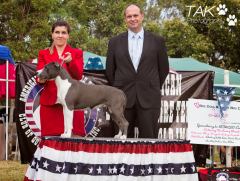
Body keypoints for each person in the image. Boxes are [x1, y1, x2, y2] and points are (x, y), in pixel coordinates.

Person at [106, 4, 169, 138]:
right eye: (129, 16)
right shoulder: (114, 41)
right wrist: (119, 89)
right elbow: (110, 70)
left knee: (148, 141)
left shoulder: (157, 40)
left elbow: (163, 69)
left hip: (149, 97)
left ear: (142, 16)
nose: (132, 18)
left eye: (135, 15)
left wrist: (150, 84)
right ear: (125, 18)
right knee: (120, 141)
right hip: (121, 98)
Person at [36, 20, 86, 137]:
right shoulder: (43, 53)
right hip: (50, 106)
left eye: (63, 33)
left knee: (75, 144)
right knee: (51, 145)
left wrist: (70, 62)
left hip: (73, 104)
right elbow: (39, 75)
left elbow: (78, 76)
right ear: (52, 34)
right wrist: (40, 80)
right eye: (57, 32)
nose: (60, 35)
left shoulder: (76, 53)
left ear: (68, 35)